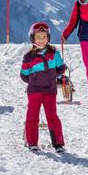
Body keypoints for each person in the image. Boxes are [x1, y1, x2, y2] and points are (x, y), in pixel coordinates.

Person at [20, 22, 66, 153]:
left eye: (44, 37)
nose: (41, 40)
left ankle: (58, 143)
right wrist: (34, 80)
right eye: (38, 37)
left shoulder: (54, 54)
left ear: (48, 38)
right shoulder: (28, 57)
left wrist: (51, 76)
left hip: (50, 91)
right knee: (32, 115)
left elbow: (61, 68)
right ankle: (32, 142)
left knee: (52, 116)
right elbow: (24, 75)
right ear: (32, 38)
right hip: (34, 91)